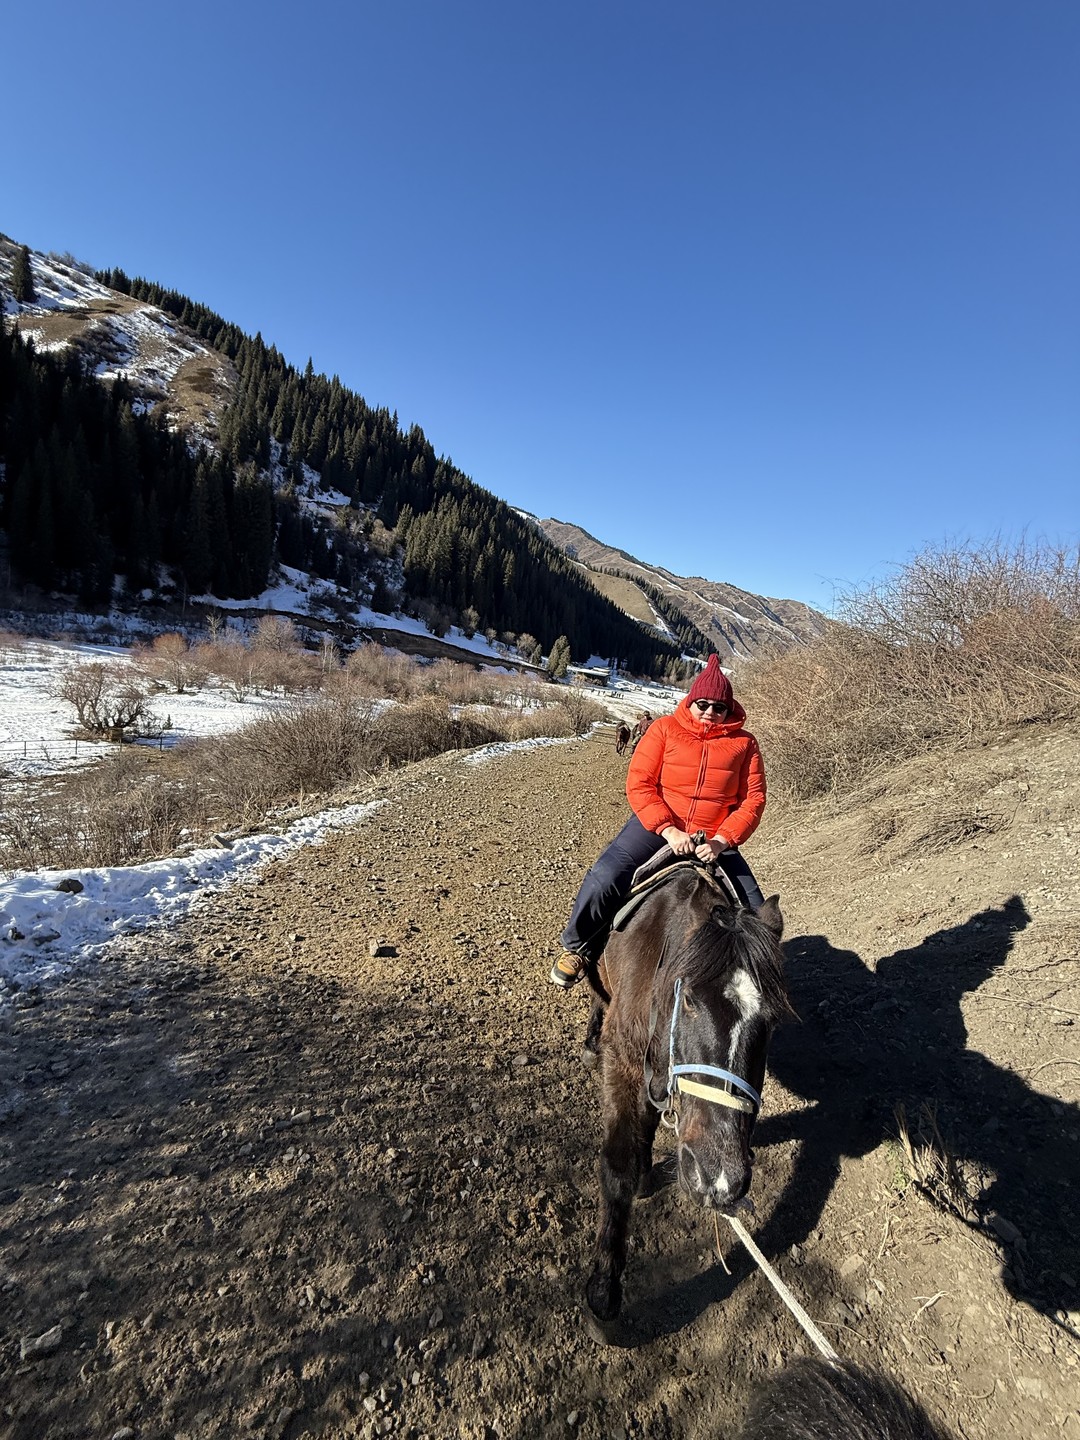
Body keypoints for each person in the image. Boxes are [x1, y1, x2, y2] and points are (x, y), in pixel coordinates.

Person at [550, 654, 766, 988]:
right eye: (703, 704)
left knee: (758, 912)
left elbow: (753, 800)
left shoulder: (745, 744)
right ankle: (578, 947)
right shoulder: (664, 729)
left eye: (719, 707)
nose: (710, 712)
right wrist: (667, 829)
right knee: (606, 876)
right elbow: (639, 783)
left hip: (713, 837)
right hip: (658, 827)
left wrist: (722, 840)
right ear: (691, 701)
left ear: (729, 709)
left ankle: (756, 984)